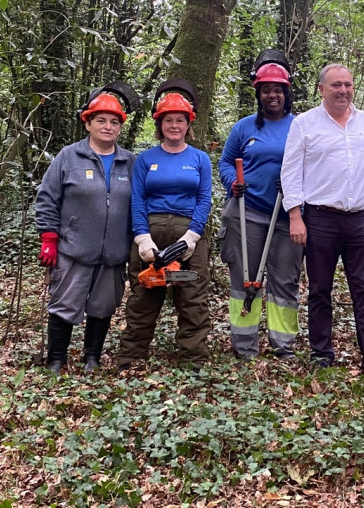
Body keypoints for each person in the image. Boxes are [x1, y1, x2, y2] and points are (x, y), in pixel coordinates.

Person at [280, 63, 364, 374]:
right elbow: (290, 173)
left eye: (347, 84)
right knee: (319, 289)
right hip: (320, 219)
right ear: (321, 89)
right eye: (335, 85)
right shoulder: (304, 124)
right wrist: (295, 216)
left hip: (359, 219)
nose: (343, 90)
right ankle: (321, 353)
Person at [35, 87, 136, 374]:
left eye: (114, 122)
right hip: (73, 250)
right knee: (64, 305)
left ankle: (92, 358)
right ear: (88, 122)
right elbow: (47, 197)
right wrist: (49, 237)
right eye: (101, 120)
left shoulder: (130, 162)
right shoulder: (69, 157)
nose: (108, 127)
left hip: (113, 253)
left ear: (120, 126)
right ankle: (56, 360)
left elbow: (140, 204)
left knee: (103, 307)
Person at [115, 86, 213, 372]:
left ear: (188, 124)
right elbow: (138, 199)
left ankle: (193, 359)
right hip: (152, 232)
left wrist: (192, 236)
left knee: (192, 295)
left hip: (187, 237)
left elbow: (204, 198)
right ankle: (131, 358)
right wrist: (142, 239)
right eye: (168, 120)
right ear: (159, 124)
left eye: (180, 120)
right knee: (144, 294)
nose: (174, 125)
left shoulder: (199, 159)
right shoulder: (145, 159)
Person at [219, 60, 303, 360]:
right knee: (246, 278)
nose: (272, 96)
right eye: (266, 90)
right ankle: (245, 347)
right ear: (259, 94)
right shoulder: (244, 127)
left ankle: (284, 346)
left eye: (277, 91)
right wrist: (233, 183)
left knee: (285, 281)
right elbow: (226, 162)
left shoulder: (299, 126)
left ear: (286, 93)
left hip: (288, 216)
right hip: (249, 213)